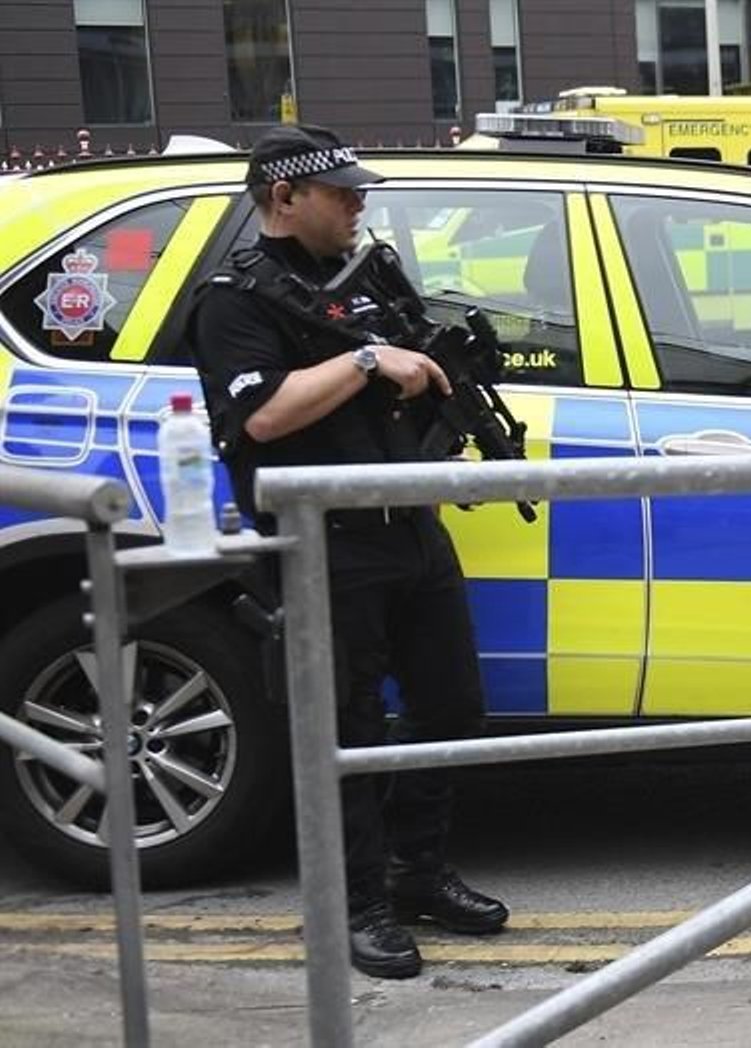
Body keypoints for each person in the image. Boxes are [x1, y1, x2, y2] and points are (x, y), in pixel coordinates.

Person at [190, 125, 509, 980]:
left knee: (450, 710)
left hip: (408, 524)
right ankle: (359, 900)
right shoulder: (235, 299)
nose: (358, 203)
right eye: (341, 192)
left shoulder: (364, 282)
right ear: (283, 198)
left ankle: (417, 871)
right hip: (325, 541)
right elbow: (259, 417)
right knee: (350, 726)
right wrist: (369, 361)